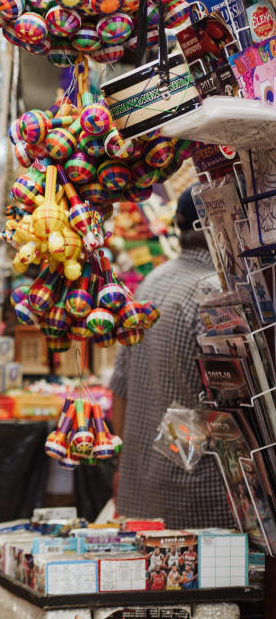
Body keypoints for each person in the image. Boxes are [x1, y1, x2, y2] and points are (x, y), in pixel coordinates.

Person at [110, 186, 232, 528]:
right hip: (199, 494)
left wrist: (126, 464)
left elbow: (119, 387)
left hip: (142, 485)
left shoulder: (151, 282)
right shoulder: (215, 291)